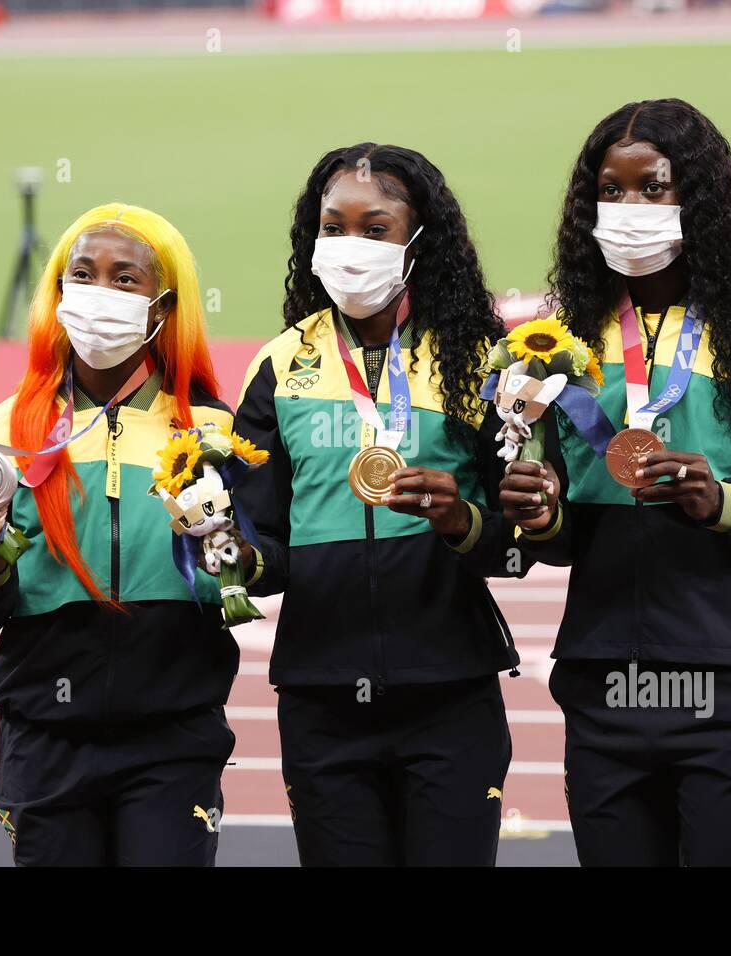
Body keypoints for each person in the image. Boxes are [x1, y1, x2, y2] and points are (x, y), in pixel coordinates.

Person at [501, 100, 731, 866]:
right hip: (601, 677)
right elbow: (559, 542)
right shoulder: (558, 342)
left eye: (653, 188)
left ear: (698, 196)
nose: (630, 210)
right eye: (612, 191)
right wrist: (542, 515)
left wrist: (721, 502)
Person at [231, 143, 521, 866]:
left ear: (419, 241)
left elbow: (520, 546)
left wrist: (463, 520)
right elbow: (262, 548)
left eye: (376, 228)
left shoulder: (480, 360)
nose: (349, 246)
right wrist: (234, 557)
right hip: (321, 694)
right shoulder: (277, 366)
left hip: (449, 687)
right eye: (333, 227)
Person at [0, 203, 239, 866]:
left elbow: (244, 587)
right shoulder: (0, 436)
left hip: (174, 738)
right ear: (59, 292)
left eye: (124, 279)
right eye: (83, 273)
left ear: (162, 308)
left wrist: (225, 551)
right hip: (45, 739)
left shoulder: (213, 433)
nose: (99, 292)